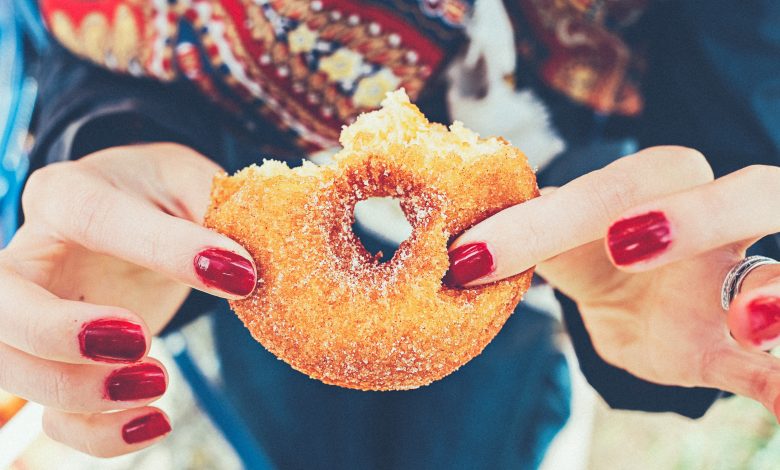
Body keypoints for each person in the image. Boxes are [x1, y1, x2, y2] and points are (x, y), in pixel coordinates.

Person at [0, 0, 778, 466]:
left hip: (533, 263)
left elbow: (742, 62)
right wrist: (112, 137)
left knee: (475, 451)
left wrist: (708, 227)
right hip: (259, 272)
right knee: (301, 450)